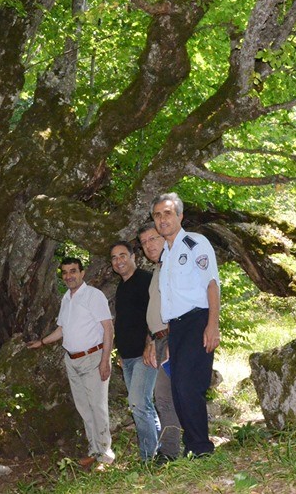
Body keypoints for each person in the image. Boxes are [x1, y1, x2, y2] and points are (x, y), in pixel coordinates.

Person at [27, 258, 115, 468]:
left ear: (82, 273)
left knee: (97, 407)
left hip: (93, 358)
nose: (69, 276)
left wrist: (105, 360)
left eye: (73, 271)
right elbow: (62, 329)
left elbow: (108, 328)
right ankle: (94, 450)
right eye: (65, 272)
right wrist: (42, 342)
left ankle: (106, 454)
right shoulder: (66, 298)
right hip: (72, 360)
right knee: (84, 407)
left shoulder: (93, 295)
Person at [152, 192, 220, 457]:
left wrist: (212, 325)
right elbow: (171, 302)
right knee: (178, 387)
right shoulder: (166, 256)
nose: (162, 219)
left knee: (190, 386)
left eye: (168, 213)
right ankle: (192, 447)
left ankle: (201, 448)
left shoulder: (195, 243)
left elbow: (212, 284)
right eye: (157, 215)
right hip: (177, 328)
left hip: (197, 320)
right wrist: (171, 339)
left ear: (180, 216)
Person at [110, 240, 160, 462]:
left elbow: (156, 314)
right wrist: (120, 353)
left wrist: (151, 344)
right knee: (143, 404)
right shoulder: (121, 286)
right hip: (128, 356)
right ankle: (159, 452)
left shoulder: (146, 280)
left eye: (122, 255)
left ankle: (148, 458)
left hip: (144, 353)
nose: (118, 261)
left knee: (138, 404)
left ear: (133, 257)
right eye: (114, 258)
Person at [138, 222, 183, 462]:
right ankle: (171, 450)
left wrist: (172, 340)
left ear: (164, 238)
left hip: (172, 336)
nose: (148, 245)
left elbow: (181, 304)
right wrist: (149, 341)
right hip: (159, 338)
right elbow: (154, 310)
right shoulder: (158, 269)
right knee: (165, 397)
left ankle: (171, 452)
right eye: (144, 242)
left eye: (153, 239)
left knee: (166, 397)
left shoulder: (175, 264)